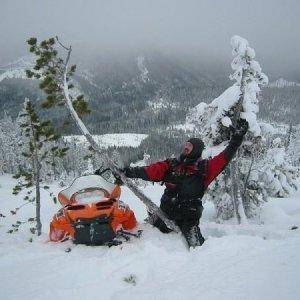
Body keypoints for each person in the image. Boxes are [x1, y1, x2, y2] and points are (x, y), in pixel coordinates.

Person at [121, 119, 248, 248]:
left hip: (188, 218)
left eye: (190, 146)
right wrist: (130, 172)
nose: (186, 148)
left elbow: (223, 159)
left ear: (196, 150)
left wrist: (236, 141)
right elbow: (152, 171)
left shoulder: (205, 169)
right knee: (147, 233)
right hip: (165, 213)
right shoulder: (172, 164)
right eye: (186, 145)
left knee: (196, 247)